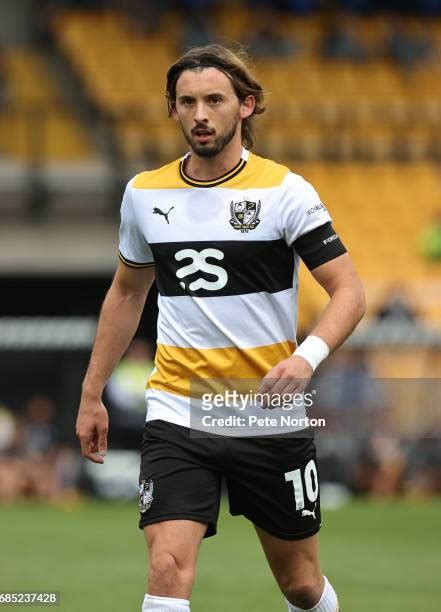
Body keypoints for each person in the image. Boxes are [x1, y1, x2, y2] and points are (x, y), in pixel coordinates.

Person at [76, 44, 366, 612]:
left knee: (301, 585)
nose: (200, 114)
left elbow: (349, 292)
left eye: (214, 100)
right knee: (165, 568)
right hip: (178, 409)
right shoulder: (143, 194)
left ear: (247, 106)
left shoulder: (285, 192)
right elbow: (128, 292)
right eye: (187, 102)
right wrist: (92, 394)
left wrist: (306, 357)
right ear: (173, 110)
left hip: (265, 413)